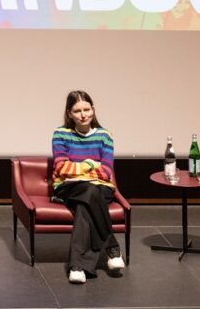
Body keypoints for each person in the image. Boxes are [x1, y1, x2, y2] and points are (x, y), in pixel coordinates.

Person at [51, 90, 125, 284]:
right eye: (77, 111)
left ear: (93, 109)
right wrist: (91, 164)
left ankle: (77, 267)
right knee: (90, 192)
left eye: (87, 109)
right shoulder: (60, 134)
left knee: (85, 206)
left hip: (100, 187)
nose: (83, 115)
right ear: (69, 113)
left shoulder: (105, 136)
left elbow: (106, 171)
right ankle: (112, 247)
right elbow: (61, 168)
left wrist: (79, 169)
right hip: (68, 187)